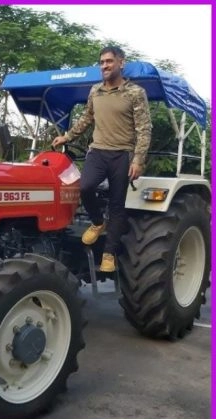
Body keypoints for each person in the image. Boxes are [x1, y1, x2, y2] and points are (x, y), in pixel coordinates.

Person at [51, 46, 152, 272]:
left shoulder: (135, 92)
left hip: (122, 154)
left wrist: (138, 159)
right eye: (102, 62)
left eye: (109, 61)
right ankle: (97, 222)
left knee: (117, 205)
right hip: (97, 151)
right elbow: (87, 118)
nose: (104, 65)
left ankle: (109, 253)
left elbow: (144, 129)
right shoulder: (95, 91)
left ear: (121, 63)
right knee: (85, 187)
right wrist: (67, 136)